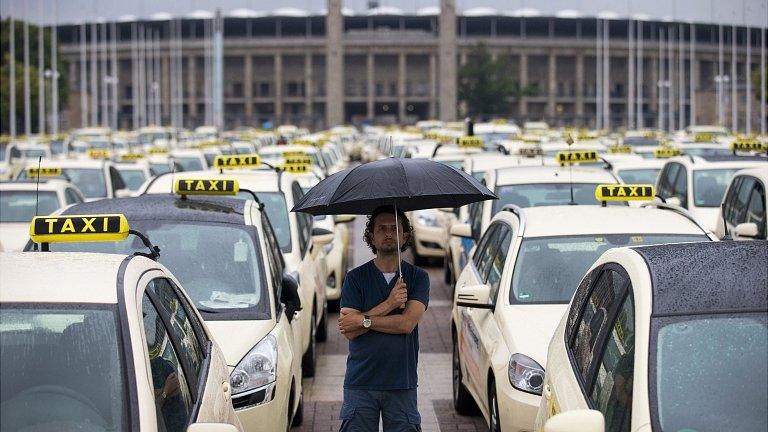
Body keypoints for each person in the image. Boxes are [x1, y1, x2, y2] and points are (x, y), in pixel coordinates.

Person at [337, 205, 430, 431]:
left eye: (394, 228)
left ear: (405, 235)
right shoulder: (355, 278)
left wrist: (363, 319)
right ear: (371, 235)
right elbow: (349, 330)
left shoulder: (418, 278)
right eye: (381, 228)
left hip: (401, 383)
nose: (388, 233)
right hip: (360, 383)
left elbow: (406, 324)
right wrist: (389, 304)